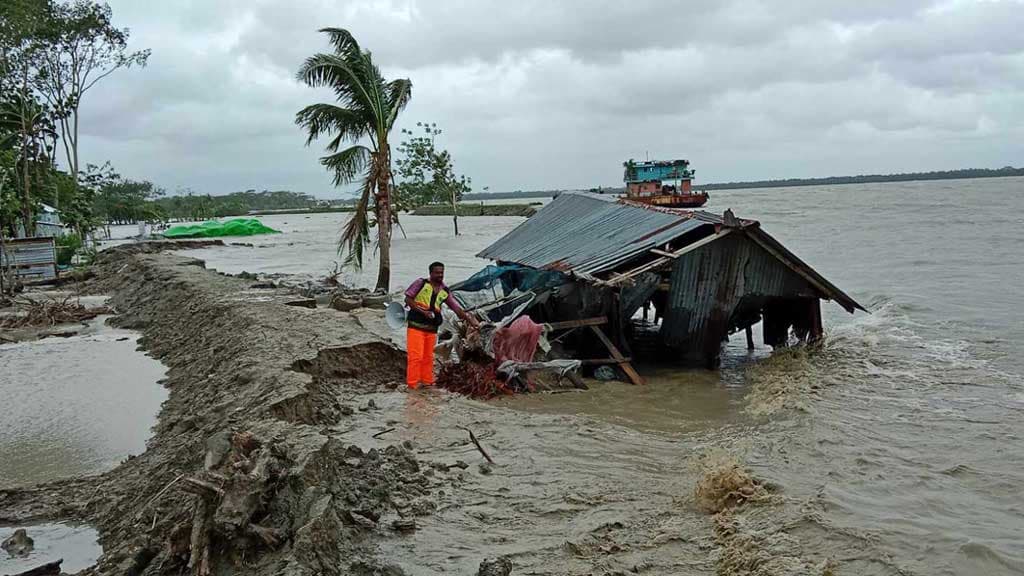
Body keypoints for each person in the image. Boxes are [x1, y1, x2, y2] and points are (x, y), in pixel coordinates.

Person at [404, 262, 479, 389]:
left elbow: (457, 309)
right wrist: (423, 312)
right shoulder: (421, 283)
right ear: (431, 273)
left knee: (428, 357)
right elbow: (408, 299)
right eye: (437, 273)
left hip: (432, 329)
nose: (440, 275)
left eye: (442, 273)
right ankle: (412, 385)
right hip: (416, 327)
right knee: (416, 357)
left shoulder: (444, 291)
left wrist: (472, 322)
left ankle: (427, 382)